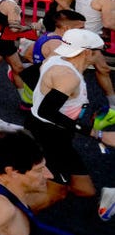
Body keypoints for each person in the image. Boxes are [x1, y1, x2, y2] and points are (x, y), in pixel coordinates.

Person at [24, 28, 115, 209]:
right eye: (100, 52)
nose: (101, 57)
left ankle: (29, 179)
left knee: (86, 190)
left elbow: (29, 74)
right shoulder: (68, 77)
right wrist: (98, 135)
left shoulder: (56, 57)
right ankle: (5, 222)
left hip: (56, 134)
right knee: (57, 192)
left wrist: (43, 92)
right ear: (88, 53)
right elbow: (46, 112)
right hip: (49, 136)